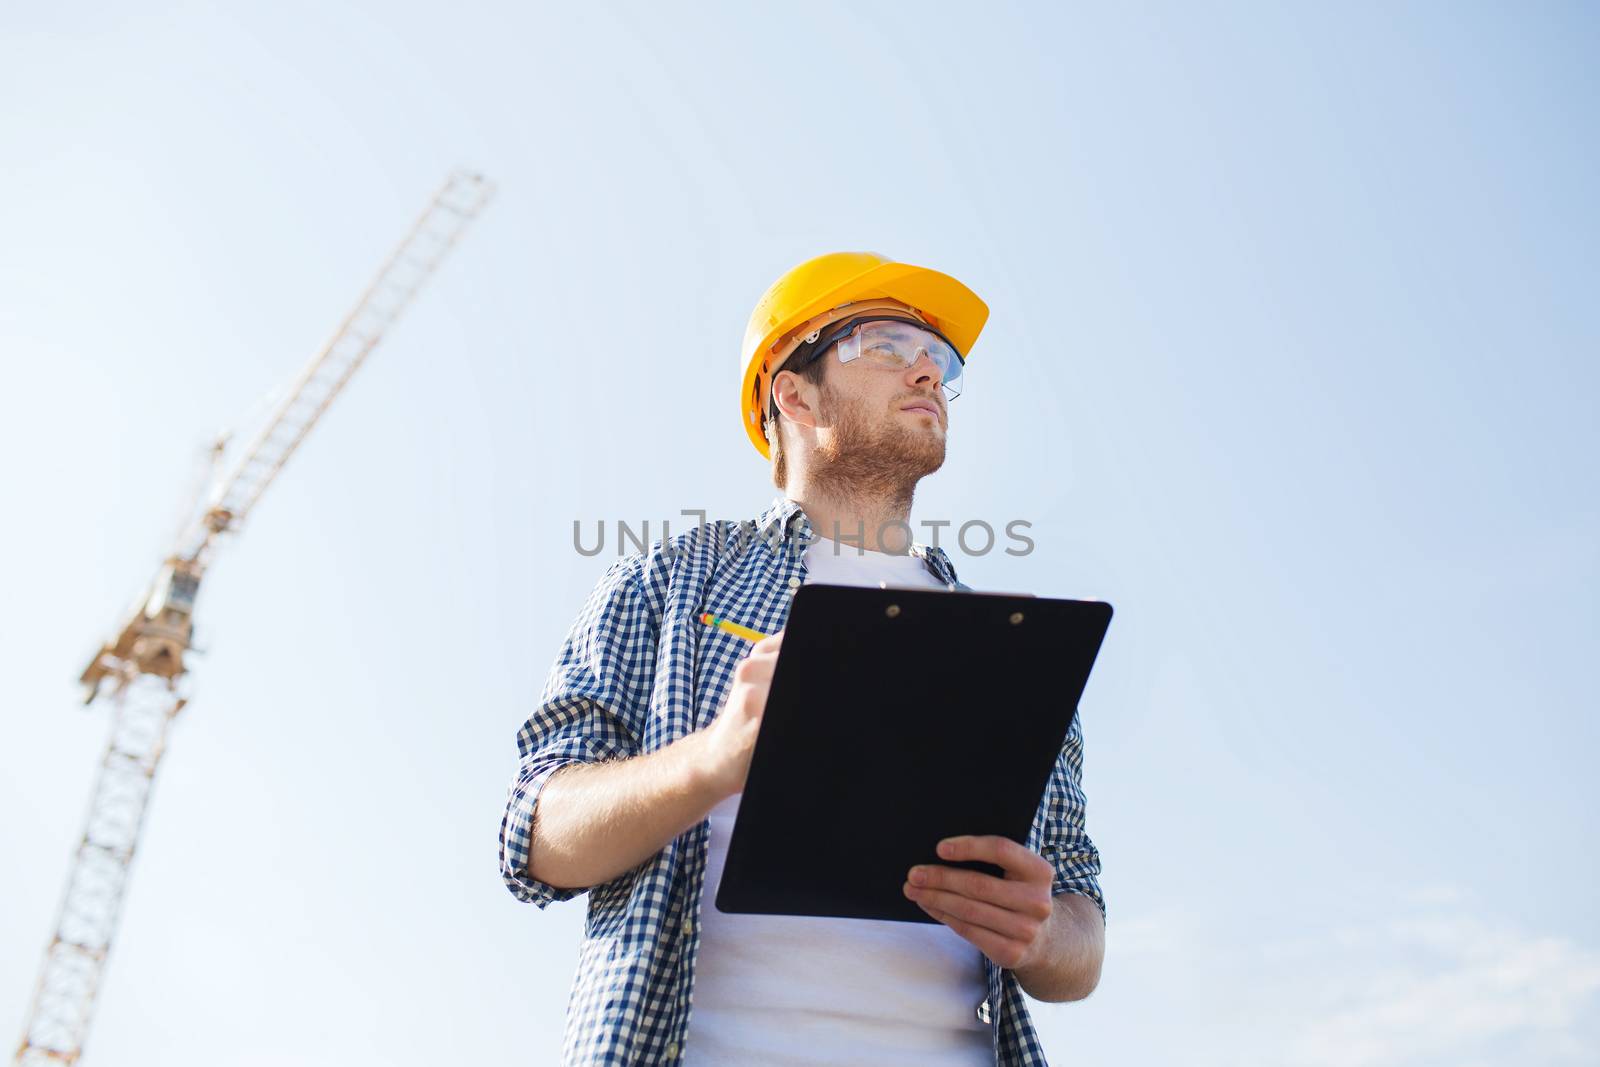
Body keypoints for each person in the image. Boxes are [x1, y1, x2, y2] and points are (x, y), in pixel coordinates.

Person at [498, 251, 1106, 1065]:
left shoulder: (1011, 652)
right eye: (890, 344)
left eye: (941, 359)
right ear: (796, 392)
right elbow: (533, 836)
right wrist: (711, 761)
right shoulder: (666, 583)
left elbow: (1082, 935)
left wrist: (1040, 933)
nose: (930, 369)